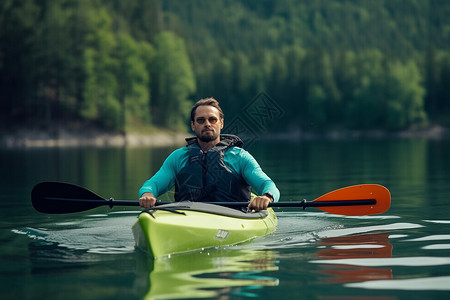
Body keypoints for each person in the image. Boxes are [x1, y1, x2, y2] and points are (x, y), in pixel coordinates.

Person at [139, 97, 280, 211]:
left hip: (234, 218)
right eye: (201, 120)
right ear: (193, 125)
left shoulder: (240, 157)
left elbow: (268, 184)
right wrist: (147, 194)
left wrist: (267, 197)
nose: (207, 124)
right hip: (187, 218)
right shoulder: (178, 157)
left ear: (221, 123)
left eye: (212, 119)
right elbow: (153, 184)